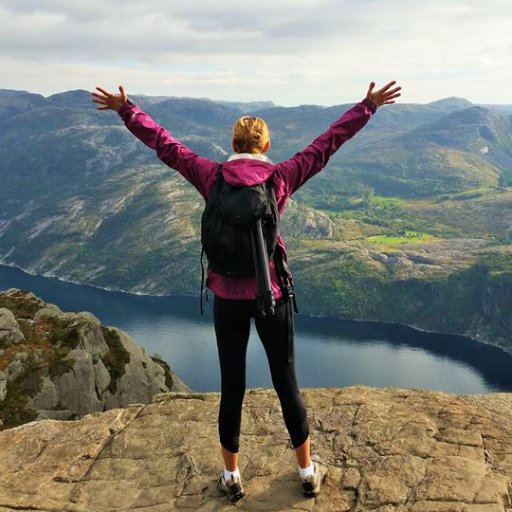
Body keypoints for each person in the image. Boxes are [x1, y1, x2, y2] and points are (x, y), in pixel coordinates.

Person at [91, 81, 401, 501]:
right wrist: (367, 106)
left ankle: (231, 476)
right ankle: (307, 472)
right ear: (266, 144)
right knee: (286, 382)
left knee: (232, 384)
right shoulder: (281, 177)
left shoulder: (211, 175)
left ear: (232, 143)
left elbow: (165, 145)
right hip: (271, 296)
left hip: (227, 300)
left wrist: (127, 109)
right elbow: (328, 143)